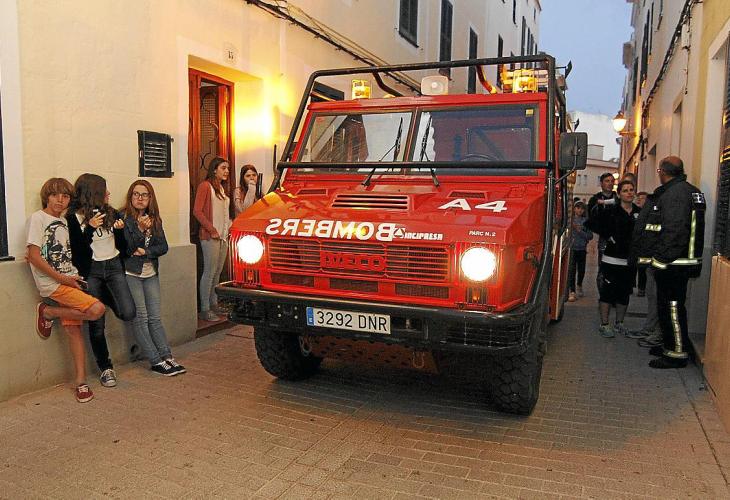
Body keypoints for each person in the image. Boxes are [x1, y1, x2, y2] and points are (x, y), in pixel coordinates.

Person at [26, 178, 106, 402]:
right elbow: (33, 256)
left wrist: (73, 277)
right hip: (55, 284)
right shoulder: (37, 218)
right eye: (55, 195)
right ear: (46, 197)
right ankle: (48, 312)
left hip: (69, 279)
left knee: (74, 330)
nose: (60, 200)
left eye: (65, 196)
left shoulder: (63, 221)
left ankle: (81, 382)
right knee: (97, 309)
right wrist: (63, 279)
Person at [631, 156, 705, 369]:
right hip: (680, 262)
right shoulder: (689, 191)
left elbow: (674, 232)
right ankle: (669, 345)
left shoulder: (675, 195)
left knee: (671, 308)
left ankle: (676, 353)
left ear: (663, 171)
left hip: (674, 264)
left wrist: (659, 260)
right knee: (670, 307)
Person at [67, 173, 136, 388]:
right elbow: (78, 255)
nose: (108, 193)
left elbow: (125, 249)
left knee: (128, 312)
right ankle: (106, 368)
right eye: (104, 189)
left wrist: (121, 232)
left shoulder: (111, 213)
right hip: (92, 271)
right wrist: (89, 228)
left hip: (114, 266)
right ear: (93, 193)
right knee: (97, 324)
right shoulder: (72, 218)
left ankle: (103, 297)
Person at [120, 180, 186, 376]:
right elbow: (127, 248)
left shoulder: (155, 219)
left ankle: (167, 356)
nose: (140, 198)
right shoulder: (123, 219)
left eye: (145, 195)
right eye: (136, 194)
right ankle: (155, 360)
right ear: (130, 197)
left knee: (155, 317)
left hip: (151, 273)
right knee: (141, 318)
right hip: (131, 273)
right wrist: (140, 231)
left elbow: (163, 246)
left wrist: (146, 251)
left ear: (150, 198)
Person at [586, 180, 641, 338]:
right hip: (611, 259)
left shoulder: (639, 212)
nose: (629, 193)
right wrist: (608, 236)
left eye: (631, 190)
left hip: (630, 260)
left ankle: (619, 323)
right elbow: (591, 223)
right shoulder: (611, 211)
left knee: (624, 293)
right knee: (607, 293)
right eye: (625, 190)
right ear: (619, 194)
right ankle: (604, 324)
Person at [193, 157, 233, 322]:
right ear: (214, 169)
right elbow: (197, 211)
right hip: (210, 236)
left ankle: (214, 303)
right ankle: (204, 308)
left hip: (223, 237)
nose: (226, 171)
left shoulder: (222, 189)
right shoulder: (205, 186)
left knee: (217, 272)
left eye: (227, 168)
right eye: (223, 168)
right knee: (209, 272)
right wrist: (212, 229)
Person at [568, 201, 592, 302]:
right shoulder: (569, 220)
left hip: (582, 249)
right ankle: (572, 290)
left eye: (582, 208)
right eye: (578, 208)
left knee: (581, 270)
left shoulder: (586, 221)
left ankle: (579, 284)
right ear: (574, 209)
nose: (579, 210)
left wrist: (579, 231)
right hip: (572, 249)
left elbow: (590, 236)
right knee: (572, 270)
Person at [634, 191, 649, 296]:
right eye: (638, 198)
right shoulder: (634, 211)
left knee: (642, 267)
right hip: (634, 244)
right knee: (632, 266)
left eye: (642, 198)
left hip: (645, 245)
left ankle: (641, 288)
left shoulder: (650, 213)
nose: (639, 199)